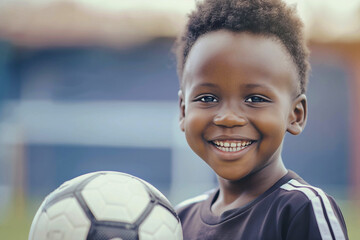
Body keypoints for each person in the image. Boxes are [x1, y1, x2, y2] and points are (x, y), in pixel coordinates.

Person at [173, 0, 348, 239]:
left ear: (296, 115)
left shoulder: (301, 209)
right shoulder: (177, 219)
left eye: (255, 99)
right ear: (183, 111)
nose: (228, 118)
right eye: (207, 97)